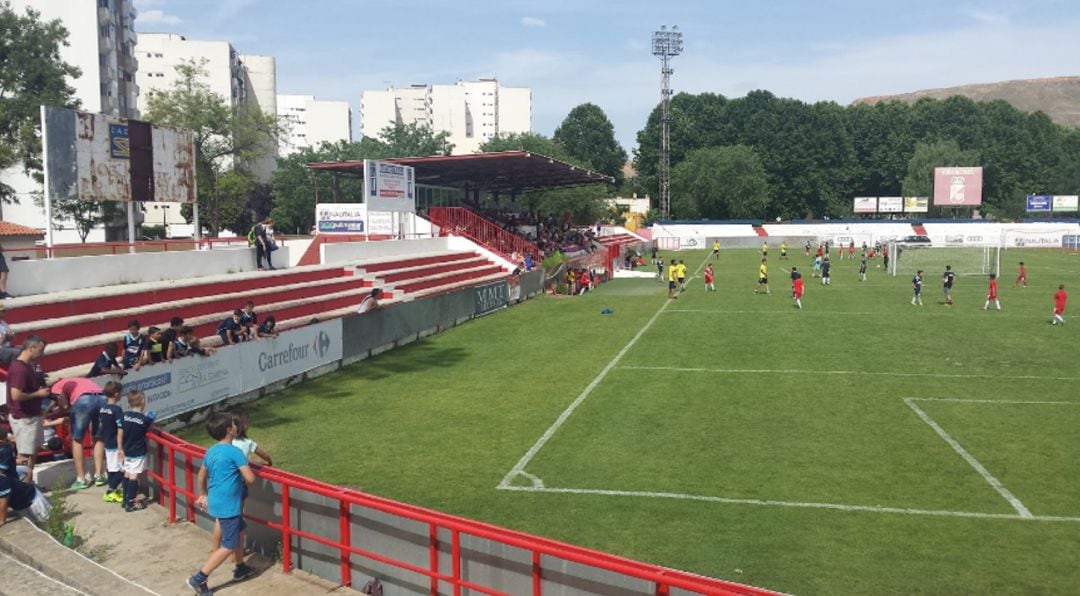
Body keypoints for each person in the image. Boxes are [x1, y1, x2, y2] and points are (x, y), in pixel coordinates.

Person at [187, 412, 257, 595]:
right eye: (234, 424)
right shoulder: (236, 452)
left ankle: (240, 568)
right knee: (229, 545)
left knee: (239, 531)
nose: (237, 426)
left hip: (216, 501)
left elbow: (201, 475)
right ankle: (199, 578)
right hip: (229, 506)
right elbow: (250, 479)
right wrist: (246, 469)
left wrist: (203, 494)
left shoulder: (211, 451)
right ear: (229, 430)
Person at [6, 336, 49, 482]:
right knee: (24, 456)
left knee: (32, 452)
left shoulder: (27, 366)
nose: (42, 354)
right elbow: (16, 395)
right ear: (31, 348)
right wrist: (38, 393)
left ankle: (29, 485)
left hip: (31, 416)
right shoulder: (19, 369)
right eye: (40, 350)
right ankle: (24, 488)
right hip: (24, 418)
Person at [51, 377, 107, 489]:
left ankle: (81, 479)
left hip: (83, 400)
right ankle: (99, 475)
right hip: (102, 397)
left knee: (77, 439)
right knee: (98, 437)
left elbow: (65, 405)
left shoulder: (56, 386)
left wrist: (57, 411)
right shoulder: (81, 380)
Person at [116, 390, 152, 512]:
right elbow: (149, 425)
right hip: (138, 451)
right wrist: (151, 418)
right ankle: (131, 502)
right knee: (134, 475)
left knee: (127, 473)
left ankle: (125, 499)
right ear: (142, 402)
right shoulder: (144, 419)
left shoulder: (124, 416)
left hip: (126, 449)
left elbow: (119, 433)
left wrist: (120, 448)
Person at [96, 381, 125, 503]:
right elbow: (120, 429)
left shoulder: (103, 409)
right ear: (117, 394)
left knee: (112, 468)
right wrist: (120, 447)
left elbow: (101, 425)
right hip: (115, 444)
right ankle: (110, 491)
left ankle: (113, 490)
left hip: (108, 443)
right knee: (122, 469)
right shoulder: (117, 410)